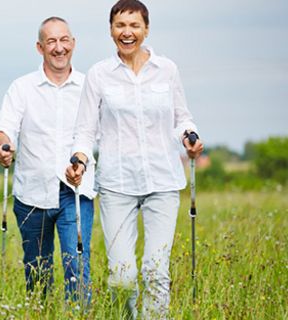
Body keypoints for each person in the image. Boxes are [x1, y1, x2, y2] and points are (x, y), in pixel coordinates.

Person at [66, 0, 204, 318]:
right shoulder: (100, 75)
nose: (127, 33)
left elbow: (182, 117)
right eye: (120, 26)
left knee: (156, 270)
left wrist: (190, 136)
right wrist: (79, 160)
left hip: (162, 180)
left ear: (146, 29)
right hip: (118, 183)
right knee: (122, 276)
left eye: (134, 26)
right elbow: (84, 131)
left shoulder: (167, 69)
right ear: (111, 30)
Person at [0, 17, 96, 305]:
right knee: (38, 272)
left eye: (64, 40)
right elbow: (3, 129)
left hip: (75, 191)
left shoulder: (89, 86)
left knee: (76, 266)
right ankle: (40, 312)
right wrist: (3, 147)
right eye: (51, 41)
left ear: (73, 43)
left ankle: (79, 314)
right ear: (40, 47)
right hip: (32, 193)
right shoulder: (22, 87)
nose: (59, 48)